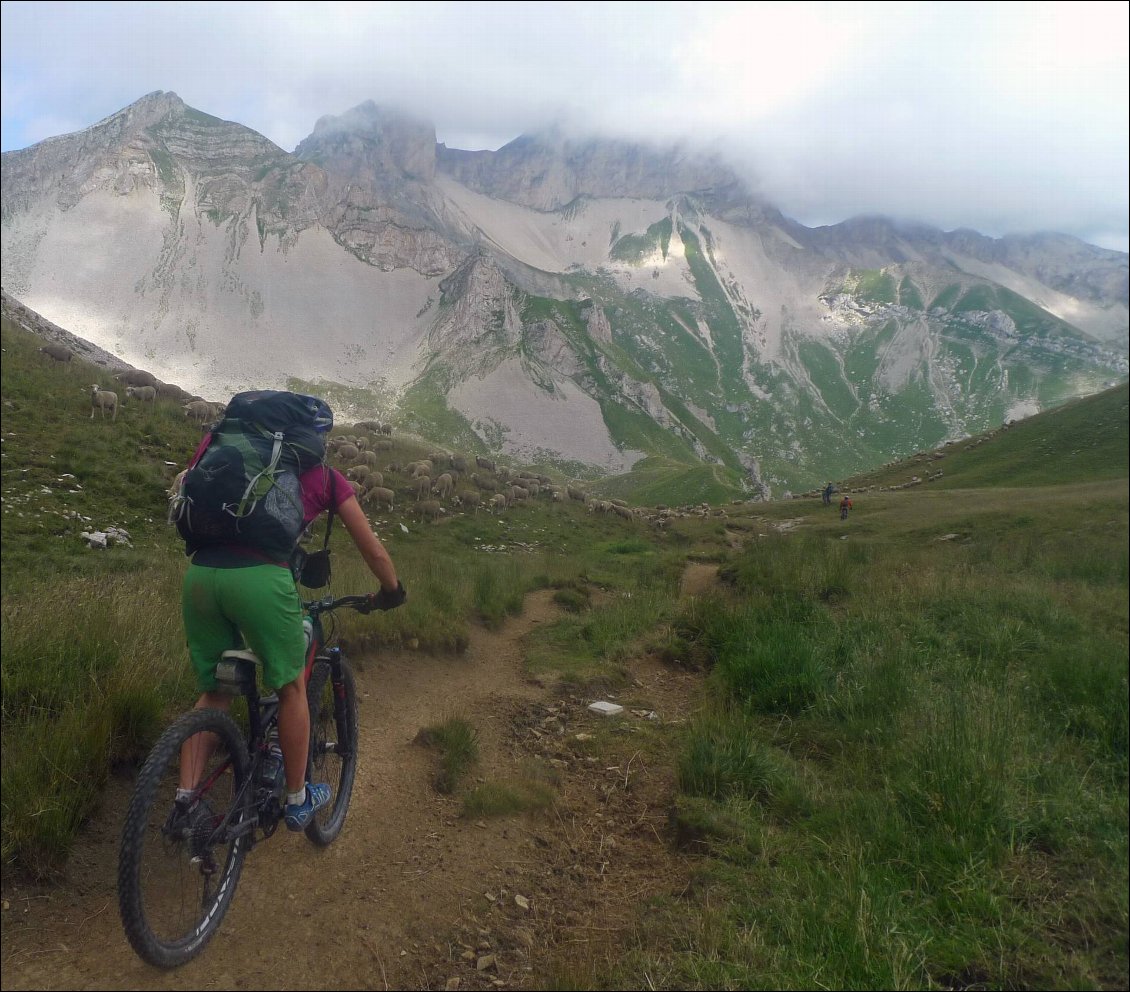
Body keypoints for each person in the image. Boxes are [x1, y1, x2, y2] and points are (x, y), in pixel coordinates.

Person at [175, 428, 405, 831]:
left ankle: (184, 802)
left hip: (201, 575)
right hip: (261, 580)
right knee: (291, 686)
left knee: (215, 690)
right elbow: (373, 548)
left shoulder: (233, 456)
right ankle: (299, 799)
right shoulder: (324, 478)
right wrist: (391, 591)